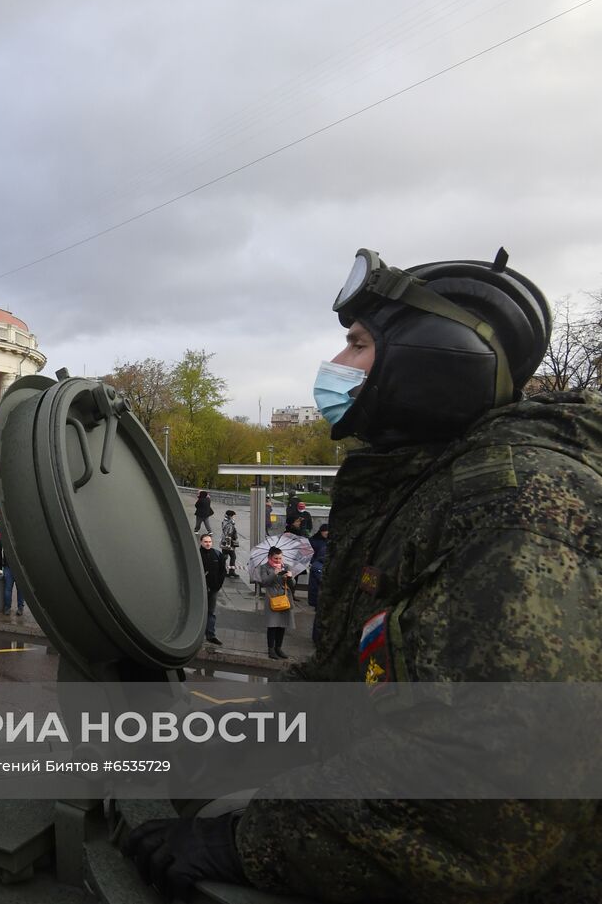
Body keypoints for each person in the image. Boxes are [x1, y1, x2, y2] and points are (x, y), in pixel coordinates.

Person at [128, 247, 602, 901]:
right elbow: (358, 686)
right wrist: (244, 738)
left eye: (356, 344)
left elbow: (491, 796)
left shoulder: (514, 514)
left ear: (433, 360)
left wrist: (245, 841)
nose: (336, 365)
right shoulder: (428, 491)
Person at [251, 545, 294, 659]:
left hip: (284, 598)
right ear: (270, 557)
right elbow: (264, 582)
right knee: (272, 625)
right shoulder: (264, 567)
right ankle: (271, 649)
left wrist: (289, 577)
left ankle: (278, 648)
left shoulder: (286, 566)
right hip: (272, 599)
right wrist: (274, 573)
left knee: (282, 625)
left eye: (280, 558)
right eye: (276, 558)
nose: (278, 561)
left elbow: (293, 585)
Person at [198, 532, 226, 646]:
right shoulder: (197, 554)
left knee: (211, 612)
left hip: (213, 589)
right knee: (199, 612)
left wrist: (218, 585)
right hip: (200, 589)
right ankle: (197, 635)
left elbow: (222, 572)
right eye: (205, 542)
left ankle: (210, 635)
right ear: (201, 542)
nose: (208, 544)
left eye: (209, 542)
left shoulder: (217, 554)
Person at [307, 522, 330, 644]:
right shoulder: (318, 566)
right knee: (319, 617)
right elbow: (323, 581)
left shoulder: (322, 565)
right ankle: (317, 639)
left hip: (319, 596)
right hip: (318, 596)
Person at [0, 536, 24, 618]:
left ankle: (8, 608)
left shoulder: (5, 536)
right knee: (19, 589)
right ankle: (19, 608)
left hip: (10, 566)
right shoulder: (20, 536)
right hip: (15, 566)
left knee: (9, 589)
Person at [219, 509, 239, 578]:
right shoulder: (229, 524)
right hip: (228, 543)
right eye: (233, 516)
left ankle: (223, 571)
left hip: (225, 542)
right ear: (230, 516)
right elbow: (229, 533)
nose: (234, 517)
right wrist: (232, 540)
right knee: (233, 557)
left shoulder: (226, 521)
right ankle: (231, 572)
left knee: (224, 557)